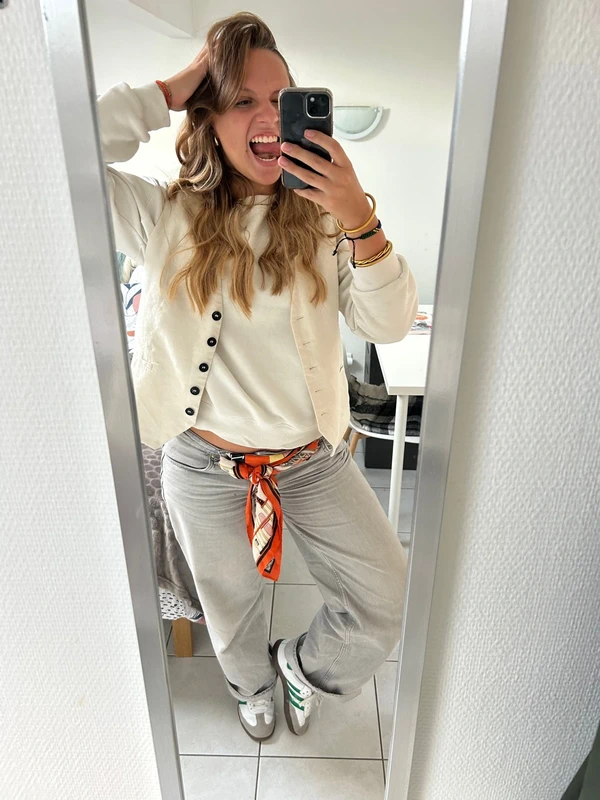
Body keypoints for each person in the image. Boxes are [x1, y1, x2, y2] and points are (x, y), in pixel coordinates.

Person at [97, 11, 418, 742]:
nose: (270, 117)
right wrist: (172, 87)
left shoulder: (329, 221)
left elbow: (389, 323)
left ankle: (301, 669)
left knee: (383, 596)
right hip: (202, 463)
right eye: (242, 100)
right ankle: (250, 688)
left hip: (312, 460)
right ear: (208, 119)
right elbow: (60, 156)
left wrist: (358, 215)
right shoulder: (161, 214)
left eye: (282, 99)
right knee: (230, 604)